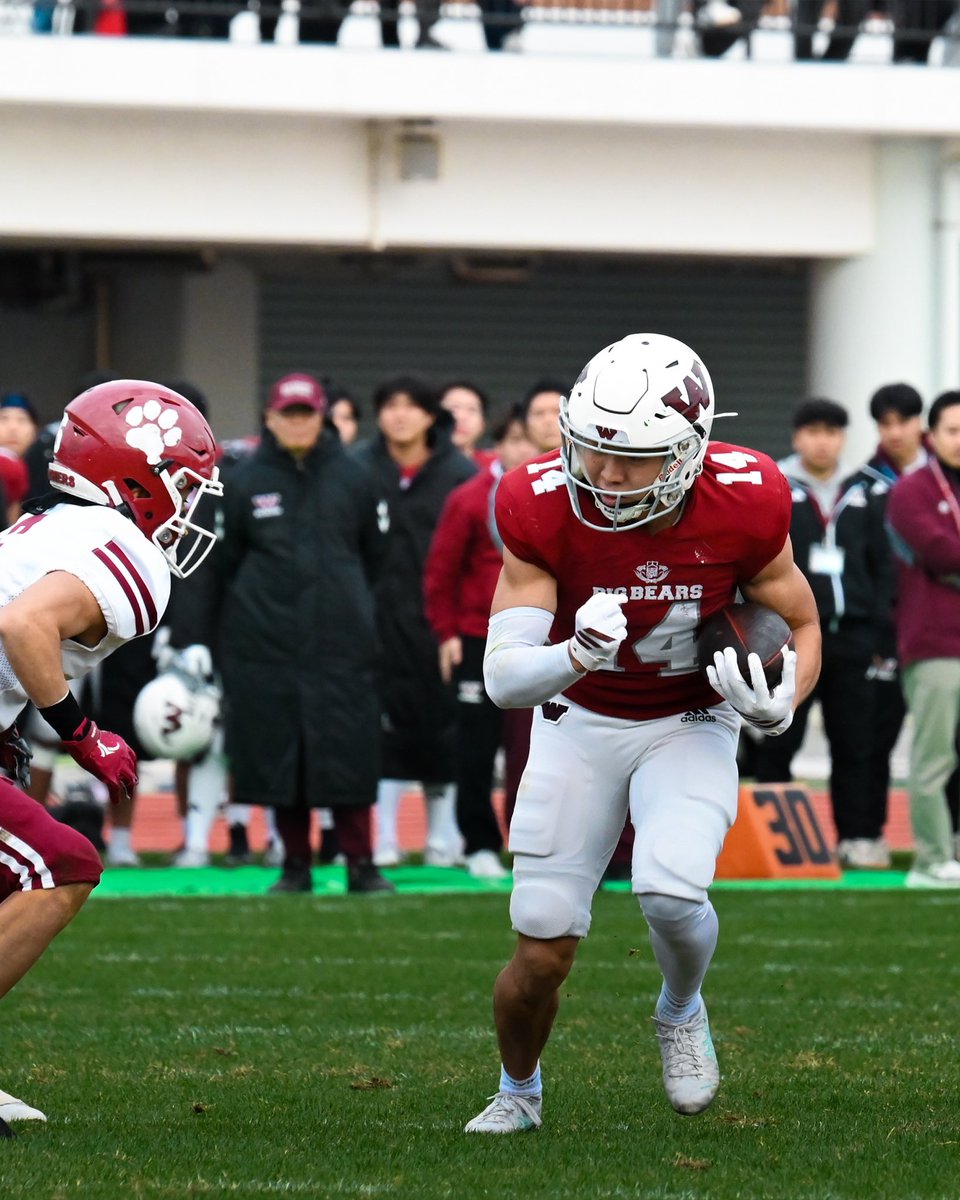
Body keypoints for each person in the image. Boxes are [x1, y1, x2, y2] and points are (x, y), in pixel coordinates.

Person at [464, 333, 820, 1134]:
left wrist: (781, 701)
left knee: (669, 887)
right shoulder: (538, 499)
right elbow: (504, 678)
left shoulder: (750, 494)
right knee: (542, 947)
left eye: (635, 459)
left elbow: (800, 620)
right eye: (592, 450)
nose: (608, 476)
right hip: (578, 718)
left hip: (691, 715)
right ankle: (519, 1090)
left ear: (692, 452)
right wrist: (575, 652)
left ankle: (681, 1009)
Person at [0, 378, 221, 1127]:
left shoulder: (50, 525)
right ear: (138, 474)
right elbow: (26, 625)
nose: (189, 505)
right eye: (185, 484)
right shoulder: (127, 551)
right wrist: (81, 732)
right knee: (63, 865)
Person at [216, 372, 393, 894]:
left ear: (322, 417)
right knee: (280, 754)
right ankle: (295, 865)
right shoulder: (245, 478)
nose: (297, 423)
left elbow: (376, 556)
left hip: (343, 645)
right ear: (269, 418)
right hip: (266, 645)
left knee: (350, 750)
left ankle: (362, 864)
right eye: (287, 414)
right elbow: (226, 560)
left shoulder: (355, 476)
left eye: (306, 414)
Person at [753, 397, 896, 870]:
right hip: (788, 636)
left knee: (855, 742)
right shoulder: (772, 485)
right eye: (812, 430)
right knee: (779, 735)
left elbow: (884, 567)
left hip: (854, 637)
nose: (822, 440)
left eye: (832, 431)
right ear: (797, 436)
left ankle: (858, 837)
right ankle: (772, 839)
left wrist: (882, 635)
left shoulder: (869, 490)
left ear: (843, 438)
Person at [353, 374, 477, 868]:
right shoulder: (358, 470)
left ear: (431, 416)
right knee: (379, 730)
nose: (399, 415)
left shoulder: (460, 474)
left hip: (439, 625)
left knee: (442, 726)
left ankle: (442, 839)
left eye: (411, 406)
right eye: (389, 405)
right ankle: (382, 837)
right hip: (373, 621)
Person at [423, 406, 534, 879]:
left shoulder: (564, 495)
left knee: (533, 752)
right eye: (512, 439)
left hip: (539, 643)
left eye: (528, 440)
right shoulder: (470, 497)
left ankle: (529, 843)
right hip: (477, 638)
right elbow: (441, 570)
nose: (521, 450)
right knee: (475, 747)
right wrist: (446, 632)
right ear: (499, 444)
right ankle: (478, 843)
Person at [886, 390, 960, 888]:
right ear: (931, 436)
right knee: (935, 757)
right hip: (936, 643)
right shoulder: (911, 490)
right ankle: (931, 859)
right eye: (953, 430)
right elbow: (941, 552)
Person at [440, 380, 490, 463]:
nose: (461, 417)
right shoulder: (416, 465)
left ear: (483, 424)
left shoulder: (497, 468)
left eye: (471, 410)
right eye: (453, 409)